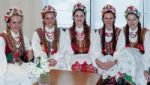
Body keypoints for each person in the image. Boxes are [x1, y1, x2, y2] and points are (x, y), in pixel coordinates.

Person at [117, 5, 150, 84]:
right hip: (125, 64)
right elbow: (120, 50)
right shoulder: (124, 31)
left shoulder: (145, 32)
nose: (131, 22)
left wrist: (146, 69)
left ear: (138, 19)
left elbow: (148, 53)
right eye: (129, 20)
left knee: (142, 79)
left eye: (134, 19)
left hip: (141, 64)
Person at [0, 7, 33, 85]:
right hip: (7, 68)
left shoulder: (24, 37)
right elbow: (1, 61)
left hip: (20, 64)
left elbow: (28, 48)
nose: (17, 25)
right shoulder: (2, 38)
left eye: (19, 22)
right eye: (14, 22)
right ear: (8, 23)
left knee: (36, 72)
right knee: (25, 75)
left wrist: (30, 50)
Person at [64, 2, 96, 73]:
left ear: (84, 17)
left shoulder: (91, 31)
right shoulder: (68, 32)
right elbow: (68, 51)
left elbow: (93, 49)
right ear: (73, 17)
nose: (79, 18)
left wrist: (92, 63)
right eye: (76, 16)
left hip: (88, 59)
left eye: (81, 16)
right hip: (74, 60)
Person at [32, 5, 66, 69]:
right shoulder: (37, 33)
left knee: (61, 68)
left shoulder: (60, 32)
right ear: (44, 19)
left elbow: (62, 49)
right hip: (42, 60)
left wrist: (55, 59)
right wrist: (47, 60)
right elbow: (37, 51)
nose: (49, 20)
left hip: (57, 60)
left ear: (55, 19)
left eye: (52, 18)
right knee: (42, 71)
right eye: (47, 18)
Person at [94, 4, 120, 79]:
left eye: (110, 18)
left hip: (115, 62)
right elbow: (96, 51)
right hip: (102, 62)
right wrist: (101, 63)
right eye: (106, 18)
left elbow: (120, 51)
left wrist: (112, 63)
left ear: (114, 19)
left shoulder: (120, 32)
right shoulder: (98, 33)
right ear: (102, 19)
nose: (108, 20)